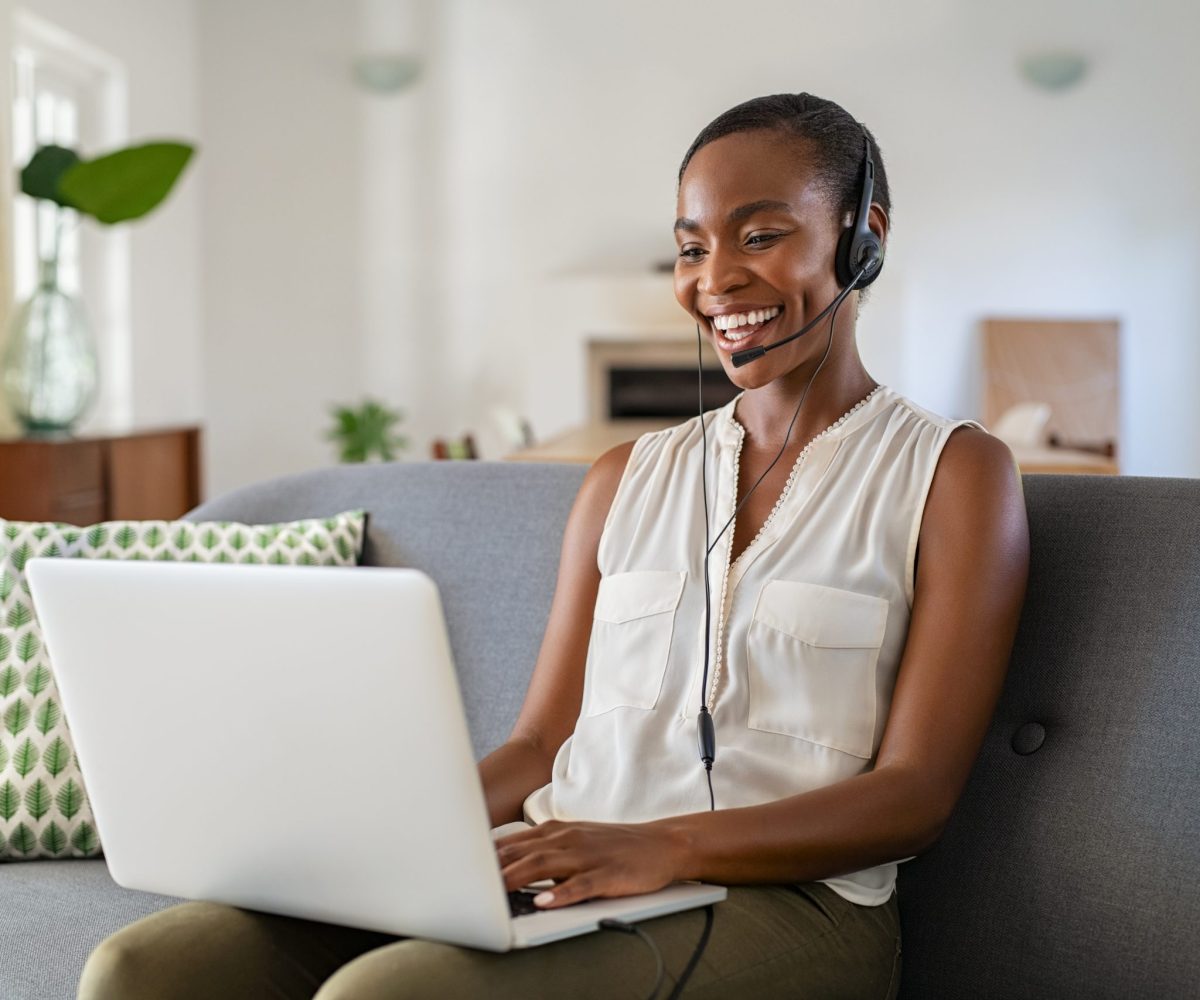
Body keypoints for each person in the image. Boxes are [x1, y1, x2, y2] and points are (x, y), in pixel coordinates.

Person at [78, 93, 1029, 1000]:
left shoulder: (954, 475)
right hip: (568, 864)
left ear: (866, 235)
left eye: (761, 235)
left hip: (794, 908)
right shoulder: (621, 479)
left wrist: (665, 847)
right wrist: (395, 839)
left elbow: (916, 795)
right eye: (690, 248)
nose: (716, 279)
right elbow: (540, 744)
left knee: (397, 993)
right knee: (146, 972)